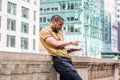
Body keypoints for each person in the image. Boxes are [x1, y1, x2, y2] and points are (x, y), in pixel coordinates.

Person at [40, 14, 83, 80]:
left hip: (67, 60)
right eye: (60, 24)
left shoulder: (60, 33)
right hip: (60, 61)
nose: (61, 27)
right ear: (53, 22)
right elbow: (56, 44)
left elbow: (61, 47)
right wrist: (70, 42)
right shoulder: (45, 31)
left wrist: (71, 50)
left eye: (62, 25)